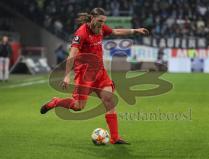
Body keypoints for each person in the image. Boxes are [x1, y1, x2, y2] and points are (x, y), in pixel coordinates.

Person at [40, 8, 149, 144]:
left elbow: (115, 31)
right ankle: (56, 102)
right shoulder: (81, 33)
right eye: (99, 21)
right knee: (78, 107)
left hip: (100, 73)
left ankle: (115, 138)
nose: (101, 24)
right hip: (84, 75)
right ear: (92, 18)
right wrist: (67, 75)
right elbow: (72, 54)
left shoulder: (101, 27)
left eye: (103, 22)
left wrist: (135, 31)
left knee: (109, 100)